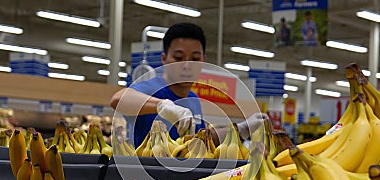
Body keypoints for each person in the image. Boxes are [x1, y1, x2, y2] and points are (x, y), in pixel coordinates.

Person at [110, 22, 265, 148]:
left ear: (203, 60)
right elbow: (118, 99)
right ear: (164, 59)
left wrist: (243, 128)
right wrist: (163, 106)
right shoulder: (152, 89)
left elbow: (202, 141)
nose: (187, 65)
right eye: (178, 58)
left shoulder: (193, 100)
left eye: (195, 59)